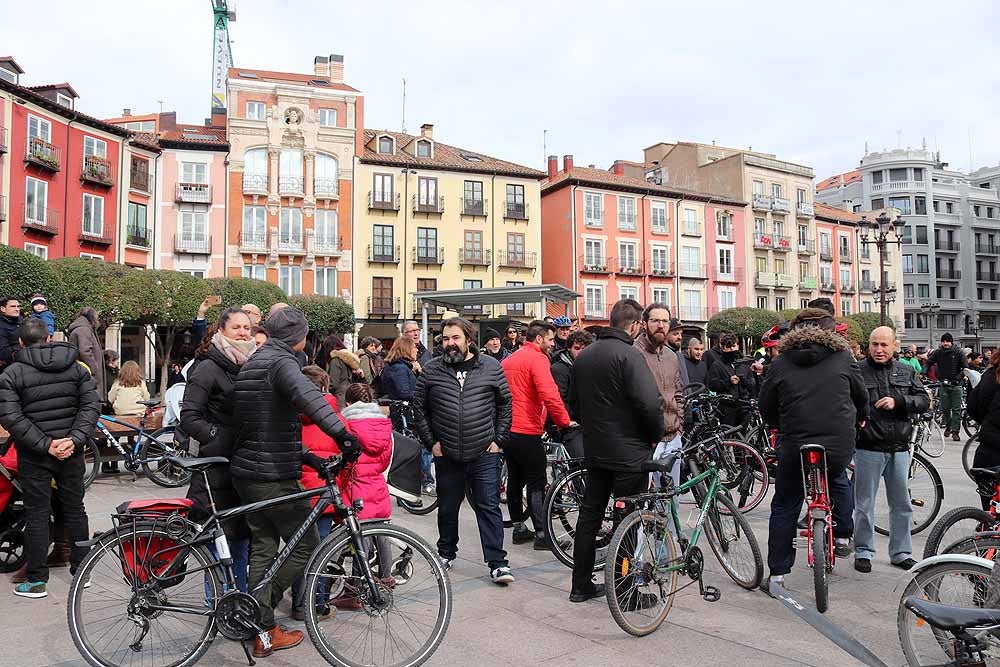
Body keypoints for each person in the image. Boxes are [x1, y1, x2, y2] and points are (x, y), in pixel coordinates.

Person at [230, 307, 360, 657]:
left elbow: (266, 426)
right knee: (306, 544)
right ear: (299, 336)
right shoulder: (282, 363)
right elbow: (310, 399)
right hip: (272, 475)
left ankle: (264, 630)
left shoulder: (256, 361)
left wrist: (308, 456)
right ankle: (258, 616)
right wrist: (343, 436)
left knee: (265, 546)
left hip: (248, 471)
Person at [757, 308, 868, 596]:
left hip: (795, 443)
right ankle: (843, 535)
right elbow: (860, 394)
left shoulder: (780, 362)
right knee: (838, 477)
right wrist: (861, 417)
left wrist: (777, 424)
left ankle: (778, 575)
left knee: (785, 504)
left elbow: (765, 404)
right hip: (837, 442)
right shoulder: (844, 357)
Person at [569, 299, 664, 603]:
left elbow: (573, 403)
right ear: (636, 325)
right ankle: (625, 589)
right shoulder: (630, 355)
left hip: (596, 448)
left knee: (590, 517)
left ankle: (580, 585)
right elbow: (649, 404)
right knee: (628, 522)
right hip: (630, 454)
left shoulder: (584, 356)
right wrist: (653, 437)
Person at [0, 318, 100, 599]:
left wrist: (45, 445)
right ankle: (82, 570)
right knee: (75, 509)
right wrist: (74, 439)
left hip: (34, 453)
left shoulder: (12, 373)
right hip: (71, 450)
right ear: (48, 339)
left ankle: (36, 580)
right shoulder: (75, 366)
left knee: (37, 513)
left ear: (20, 342)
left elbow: (11, 417)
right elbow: (91, 405)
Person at [411, 317, 514, 585]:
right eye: (445, 339)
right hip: (447, 453)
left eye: (455, 338)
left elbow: (505, 405)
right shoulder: (431, 370)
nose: (450, 344)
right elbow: (418, 409)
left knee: (489, 507)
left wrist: (499, 440)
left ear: (469, 339)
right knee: (447, 507)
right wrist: (430, 442)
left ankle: (498, 563)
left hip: (484, 452)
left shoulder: (491, 367)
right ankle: (445, 553)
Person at [292, 376, 394, 618]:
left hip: (348, 488)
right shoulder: (382, 425)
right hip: (374, 487)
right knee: (373, 537)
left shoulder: (345, 424)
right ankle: (379, 579)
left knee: (315, 548)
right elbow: (382, 461)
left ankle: (312, 599)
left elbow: (345, 461)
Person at [181, 309, 254, 592]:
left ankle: (238, 603)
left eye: (246, 327)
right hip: (215, 470)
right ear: (221, 331)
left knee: (242, 541)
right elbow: (189, 417)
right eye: (236, 327)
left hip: (244, 466)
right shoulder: (208, 368)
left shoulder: (250, 364)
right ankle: (217, 608)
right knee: (219, 544)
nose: (243, 333)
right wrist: (219, 437)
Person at [853, 326, 928, 573]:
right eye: (875, 344)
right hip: (868, 447)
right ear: (868, 345)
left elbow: (924, 401)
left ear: (895, 345)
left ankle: (901, 552)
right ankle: (863, 551)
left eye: (884, 344)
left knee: (902, 504)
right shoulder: (857, 371)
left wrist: (899, 402)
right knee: (864, 504)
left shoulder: (906, 370)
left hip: (899, 449)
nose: (879, 349)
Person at [502, 320, 575, 549]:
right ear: (539, 339)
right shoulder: (538, 359)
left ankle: (519, 529)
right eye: (551, 339)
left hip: (508, 429)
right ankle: (543, 535)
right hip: (527, 428)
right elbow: (550, 394)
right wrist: (564, 421)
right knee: (536, 481)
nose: (553, 344)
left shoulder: (509, 359)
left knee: (515, 479)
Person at [636, 304, 684, 484]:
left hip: (673, 437)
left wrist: (680, 426)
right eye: (655, 320)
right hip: (646, 441)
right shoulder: (634, 353)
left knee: (672, 499)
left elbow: (678, 393)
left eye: (664, 321)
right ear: (644, 324)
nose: (661, 325)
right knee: (646, 501)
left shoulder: (672, 356)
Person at [550, 329, 593, 458]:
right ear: (569, 348)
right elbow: (560, 399)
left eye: (585, 349)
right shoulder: (559, 369)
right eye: (577, 348)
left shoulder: (592, 366)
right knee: (580, 459)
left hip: (590, 424)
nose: (581, 352)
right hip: (570, 425)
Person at [927, 333, 967, 441]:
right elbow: (929, 362)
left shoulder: (958, 352)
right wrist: (923, 371)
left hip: (956, 386)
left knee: (956, 410)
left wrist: (957, 379)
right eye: (943, 341)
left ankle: (955, 432)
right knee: (945, 409)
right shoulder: (938, 352)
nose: (945, 343)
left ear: (951, 342)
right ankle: (948, 426)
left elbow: (965, 368)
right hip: (944, 385)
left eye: (947, 341)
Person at [708, 334, 754, 425]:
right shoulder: (717, 364)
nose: (732, 349)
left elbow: (752, 384)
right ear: (723, 348)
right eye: (729, 346)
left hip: (744, 406)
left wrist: (744, 381)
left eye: (734, 346)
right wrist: (728, 381)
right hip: (726, 408)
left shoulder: (744, 364)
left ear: (738, 346)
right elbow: (713, 385)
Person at [66, 307, 106, 401]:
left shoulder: (82, 328)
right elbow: (85, 351)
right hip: (88, 375)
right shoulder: (83, 330)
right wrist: (94, 369)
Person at [318, 334, 362, 407]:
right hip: (348, 395)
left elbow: (334, 383)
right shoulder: (347, 359)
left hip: (339, 397)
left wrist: (324, 389)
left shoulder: (335, 360)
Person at [0, 297, 22, 371]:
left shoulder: (23, 320)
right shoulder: (1, 326)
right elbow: (3, 352)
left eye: (18, 306)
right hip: (9, 368)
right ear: (3, 309)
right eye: (13, 306)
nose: (17, 309)